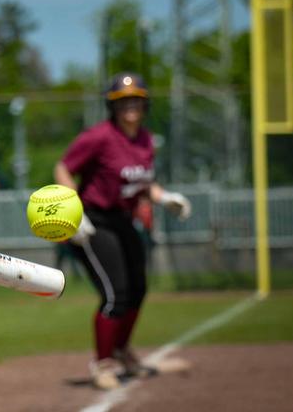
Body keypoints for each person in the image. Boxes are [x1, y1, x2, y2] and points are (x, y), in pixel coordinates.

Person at [54, 72, 193, 390]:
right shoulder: (99, 137)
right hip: (93, 221)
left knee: (139, 289)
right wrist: (72, 209)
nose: (130, 106)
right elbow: (63, 167)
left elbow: (144, 183)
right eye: (122, 101)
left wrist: (165, 197)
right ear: (112, 106)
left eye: (136, 100)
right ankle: (102, 363)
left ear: (144, 105)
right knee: (115, 294)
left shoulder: (145, 139)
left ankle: (122, 351)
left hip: (122, 219)